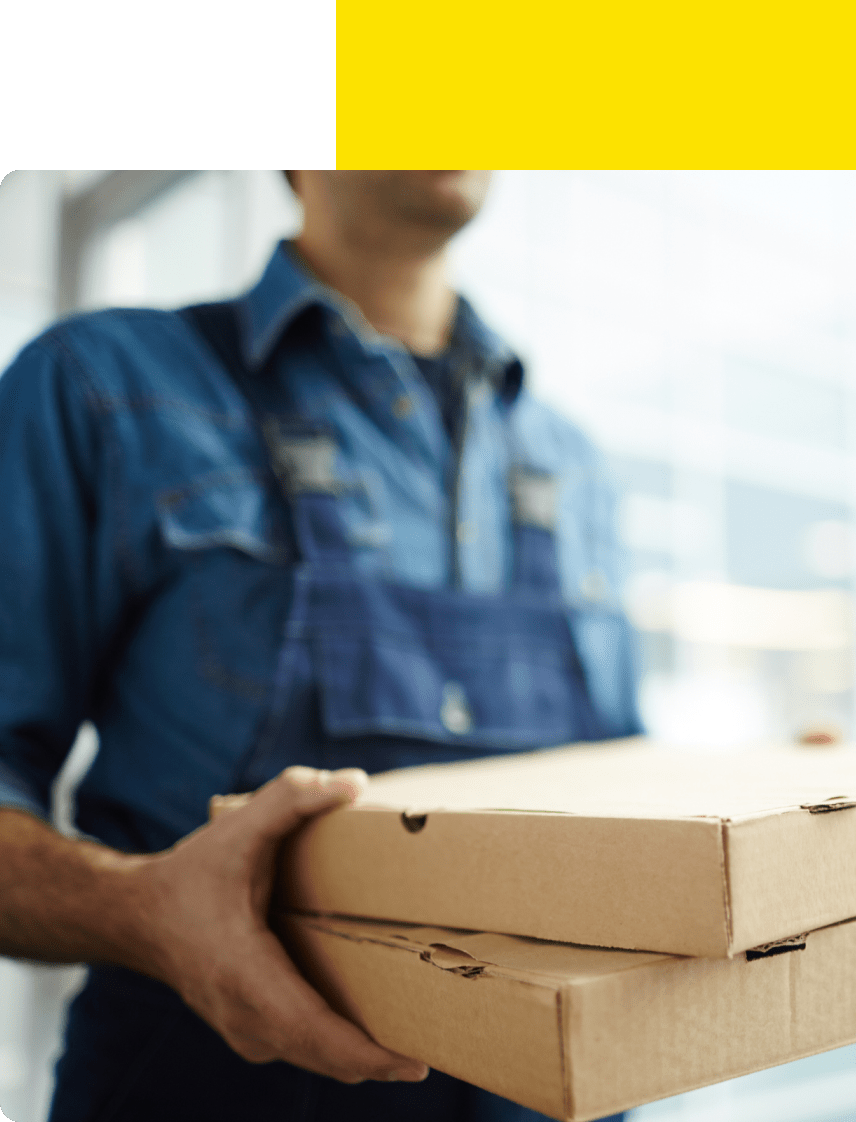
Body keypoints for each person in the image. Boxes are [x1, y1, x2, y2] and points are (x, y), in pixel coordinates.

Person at [0, 170, 640, 1121]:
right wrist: (139, 911)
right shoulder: (99, 388)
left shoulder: (572, 462)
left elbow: (627, 796)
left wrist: (775, 815)